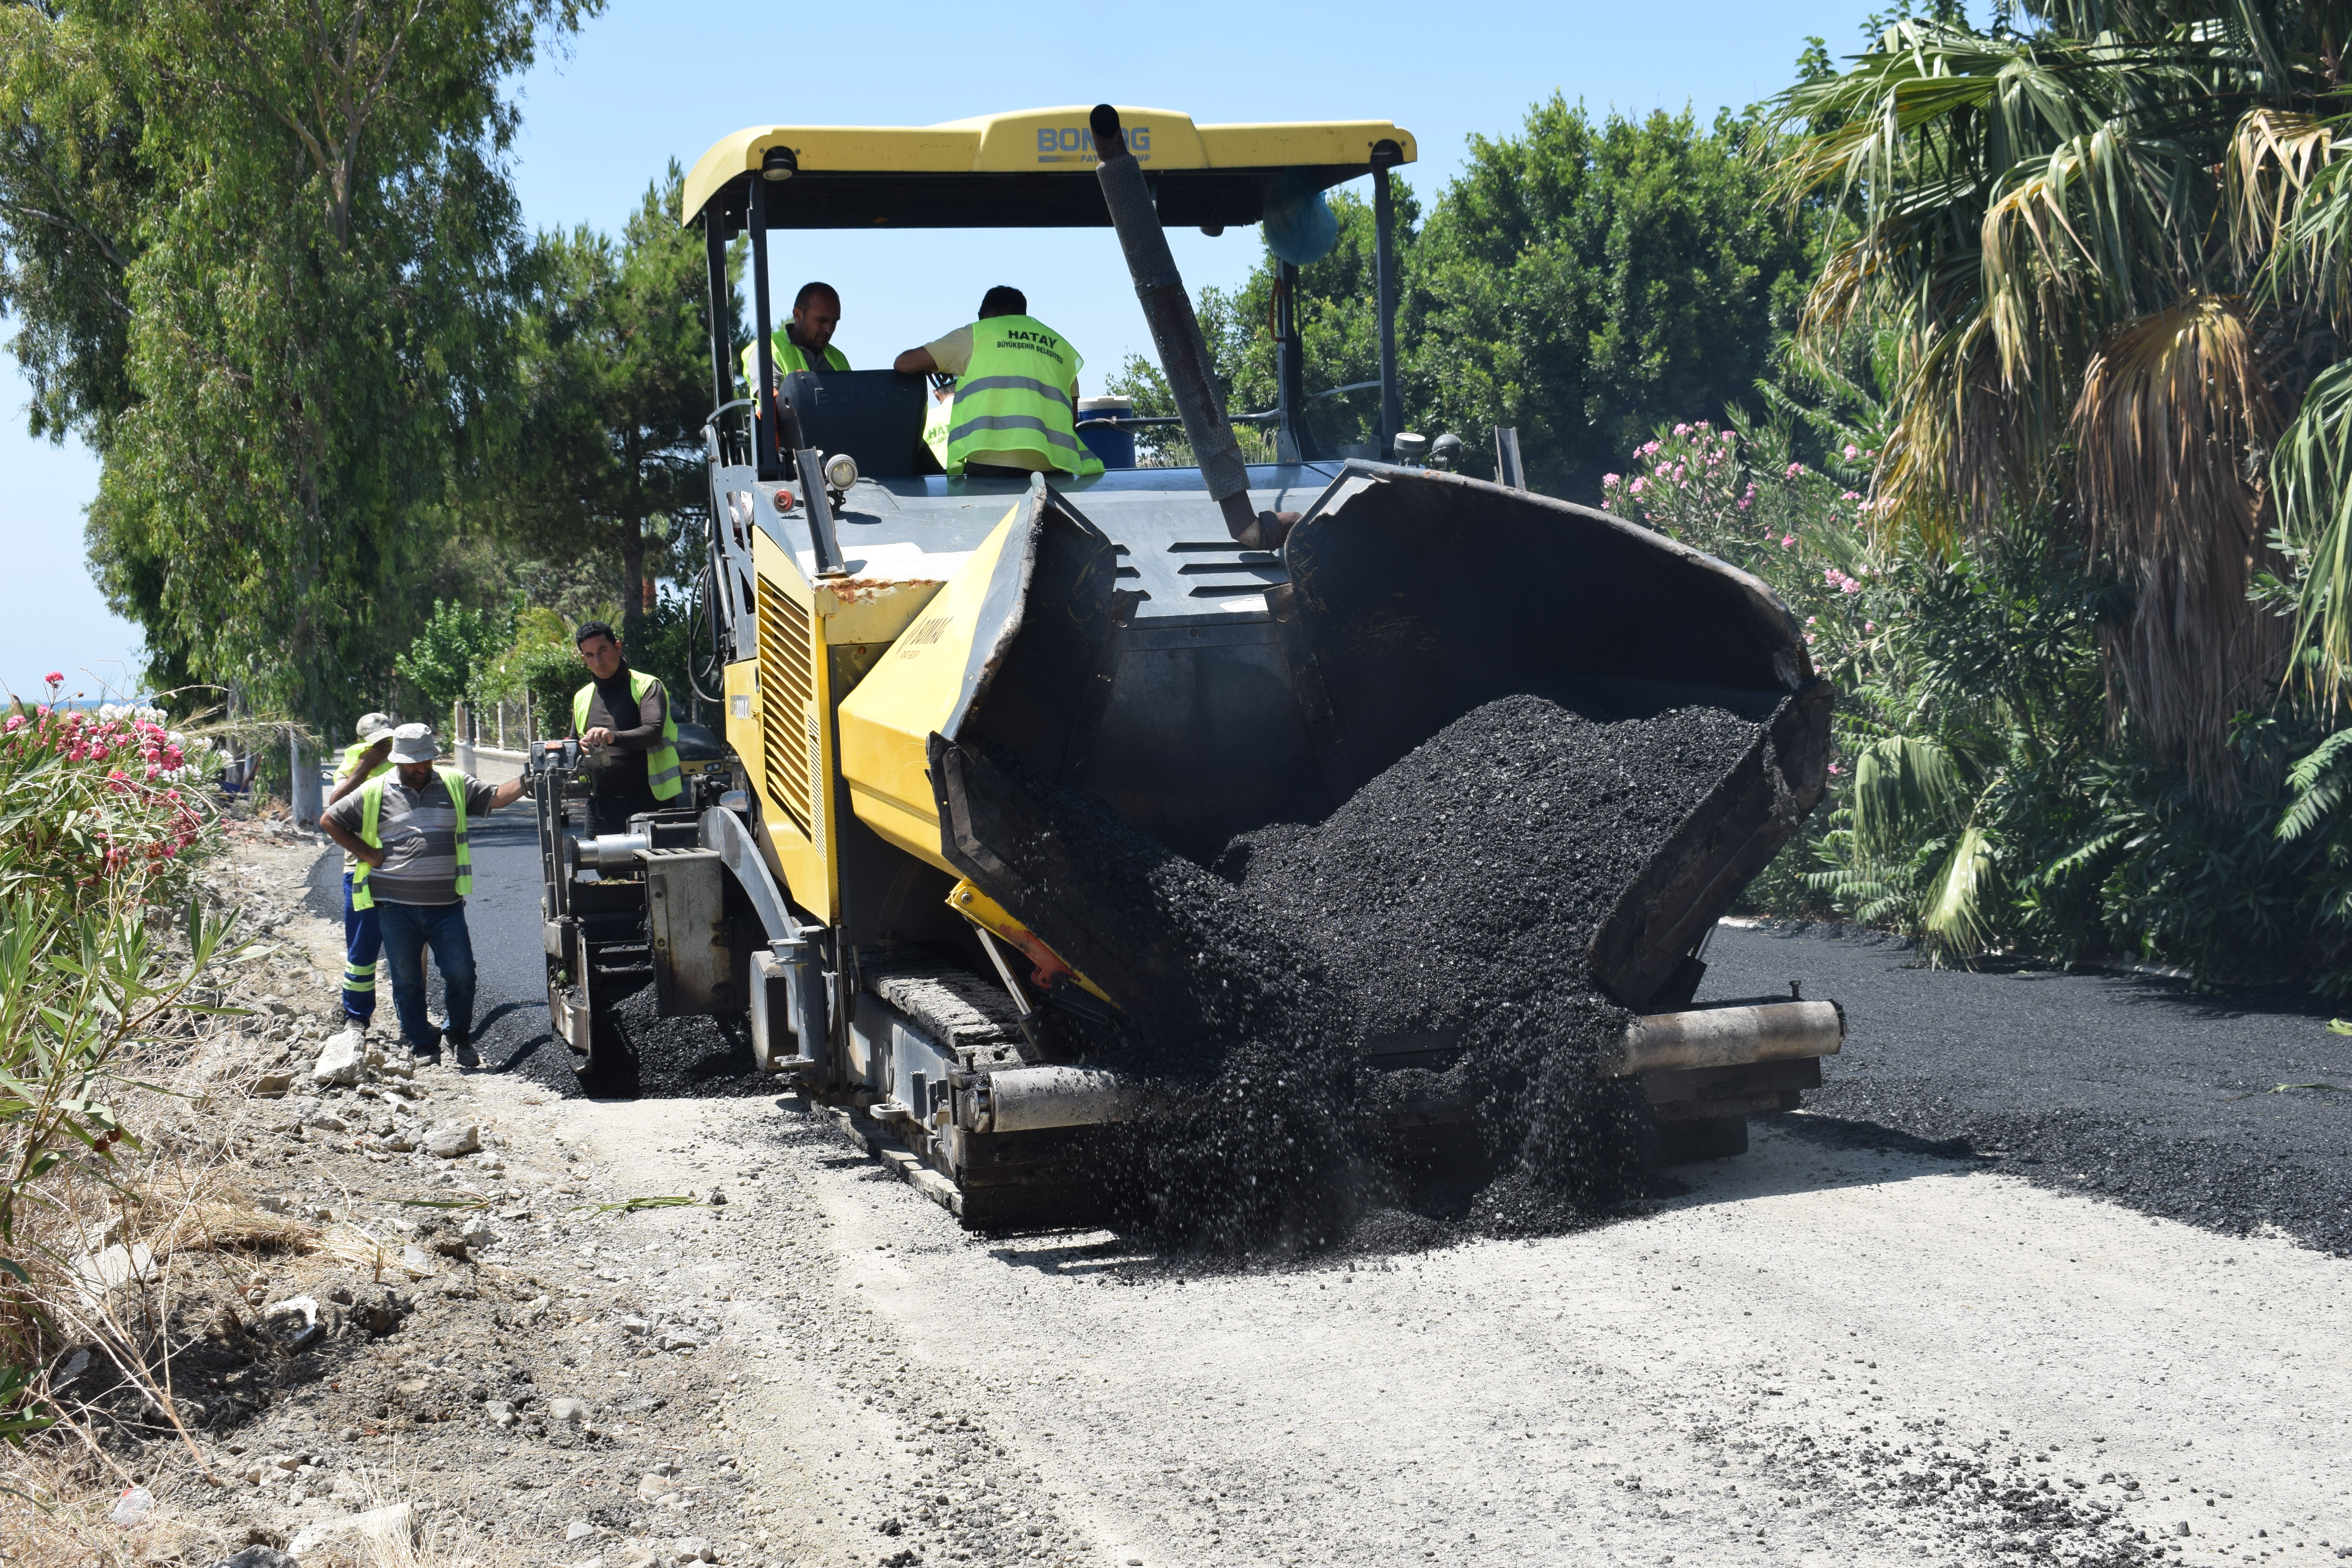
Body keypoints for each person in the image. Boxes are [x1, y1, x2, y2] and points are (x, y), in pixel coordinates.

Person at [317, 724, 525, 1069]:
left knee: (462, 973)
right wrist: (370, 855)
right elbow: (330, 819)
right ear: (398, 761)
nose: (421, 768)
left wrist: (529, 778)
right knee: (407, 977)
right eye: (413, 763)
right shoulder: (375, 791)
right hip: (395, 907)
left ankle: (459, 1037)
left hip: (446, 905)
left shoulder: (454, 784)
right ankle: (421, 1043)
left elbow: (496, 797)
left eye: (426, 760)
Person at [893, 286, 1105, 481]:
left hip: (991, 463)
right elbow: (1072, 416)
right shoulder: (1060, 345)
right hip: (1054, 466)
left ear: (984, 316)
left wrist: (939, 365)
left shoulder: (978, 333)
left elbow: (904, 363)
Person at [324, 712, 397, 1043]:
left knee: (409, 950)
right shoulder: (356, 761)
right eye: (377, 743)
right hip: (361, 868)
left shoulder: (406, 758)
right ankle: (356, 1017)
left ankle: (414, 1020)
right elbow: (334, 806)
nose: (384, 747)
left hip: (406, 867)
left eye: (387, 740)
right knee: (363, 947)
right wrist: (366, 766)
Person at [571, 621, 682, 836]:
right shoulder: (582, 697)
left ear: (618, 647)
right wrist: (577, 748)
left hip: (652, 802)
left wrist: (611, 737)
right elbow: (572, 742)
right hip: (602, 805)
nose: (599, 660)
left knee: (655, 868)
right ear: (584, 659)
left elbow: (652, 732)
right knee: (606, 869)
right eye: (590, 655)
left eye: (603, 650)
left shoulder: (647, 685)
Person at [740, 281, 848, 399]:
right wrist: (794, 389)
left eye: (834, 322)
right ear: (798, 315)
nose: (829, 329)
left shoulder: (839, 359)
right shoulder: (768, 350)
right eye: (821, 321)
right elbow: (769, 401)